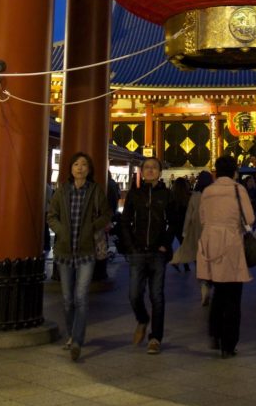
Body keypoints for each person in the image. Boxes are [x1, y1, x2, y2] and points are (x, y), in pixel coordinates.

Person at [47, 151, 111, 361]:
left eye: (84, 164)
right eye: (76, 164)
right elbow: (51, 215)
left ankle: (77, 340)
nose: (80, 167)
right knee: (67, 299)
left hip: (86, 251)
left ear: (89, 169)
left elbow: (106, 214)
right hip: (65, 250)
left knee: (81, 297)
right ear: (71, 168)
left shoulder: (95, 190)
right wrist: (61, 230)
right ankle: (71, 333)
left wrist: (92, 227)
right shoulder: (62, 191)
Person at [197, 154, 254, 358]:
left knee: (219, 292)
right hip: (231, 243)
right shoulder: (238, 190)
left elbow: (202, 218)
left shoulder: (207, 191)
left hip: (210, 242)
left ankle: (215, 332)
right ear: (234, 172)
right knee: (233, 296)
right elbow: (249, 218)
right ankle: (228, 344)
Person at [121, 156, 173, 354]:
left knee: (157, 296)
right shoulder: (134, 194)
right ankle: (142, 319)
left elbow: (174, 222)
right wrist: (130, 246)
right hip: (138, 251)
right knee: (134, 294)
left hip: (158, 252)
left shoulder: (167, 195)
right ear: (142, 172)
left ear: (160, 172)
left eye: (154, 167)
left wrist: (165, 244)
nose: (150, 170)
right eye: (147, 167)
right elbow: (125, 221)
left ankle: (155, 338)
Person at [170, 169, 214, 305]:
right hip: (213, 231)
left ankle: (204, 285)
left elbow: (189, 214)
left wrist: (185, 231)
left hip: (197, 230)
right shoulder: (214, 195)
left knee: (199, 259)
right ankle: (211, 280)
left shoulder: (195, 196)